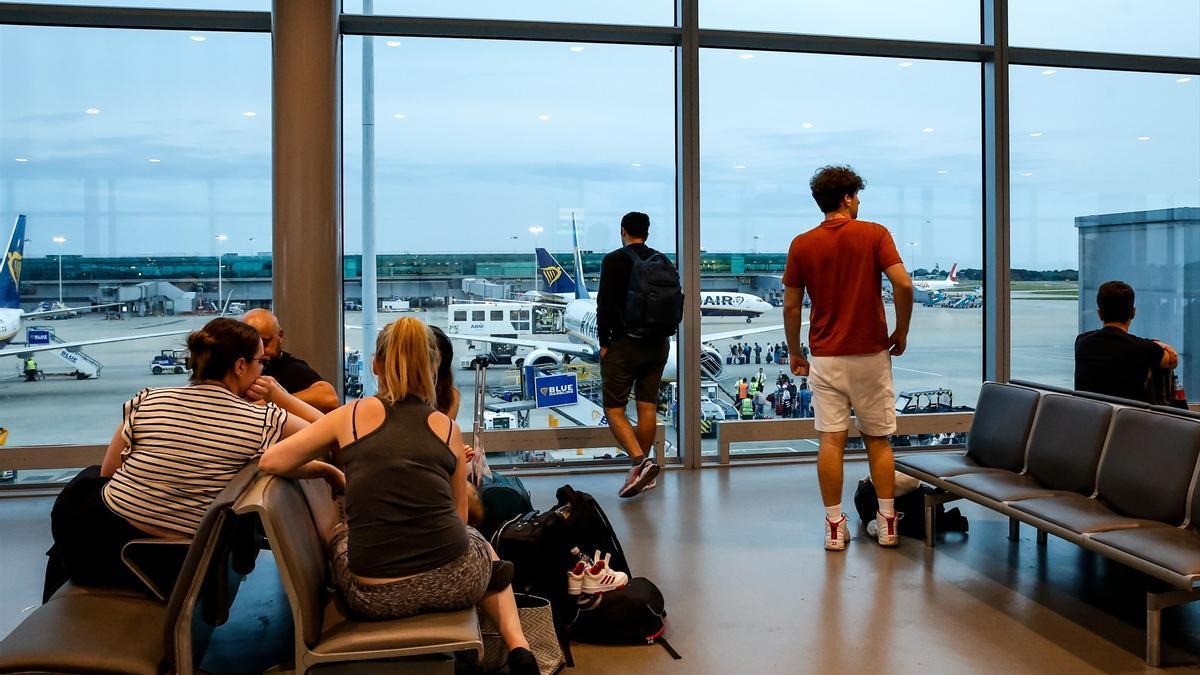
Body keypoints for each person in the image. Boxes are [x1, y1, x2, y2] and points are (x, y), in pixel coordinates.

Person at [259, 317, 539, 675]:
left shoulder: (351, 417)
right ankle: (519, 646)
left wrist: (331, 471)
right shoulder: (447, 428)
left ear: (376, 364)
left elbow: (272, 460)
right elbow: (460, 519)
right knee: (479, 543)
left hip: (374, 596)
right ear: (434, 367)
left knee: (342, 538)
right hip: (455, 584)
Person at [46, 318, 328, 598]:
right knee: (86, 491)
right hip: (167, 551)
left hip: (118, 540)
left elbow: (109, 472)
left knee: (87, 483)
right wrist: (280, 395)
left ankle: (53, 606)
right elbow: (326, 432)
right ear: (240, 366)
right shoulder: (261, 420)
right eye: (259, 362)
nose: (263, 369)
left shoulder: (149, 399)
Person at [783, 165, 913, 551]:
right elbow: (903, 283)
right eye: (856, 196)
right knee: (878, 441)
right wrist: (901, 330)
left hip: (825, 357)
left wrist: (794, 350)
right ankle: (887, 522)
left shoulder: (802, 244)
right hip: (871, 354)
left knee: (831, 442)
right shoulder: (874, 234)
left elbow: (791, 307)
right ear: (848, 198)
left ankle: (835, 526)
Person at [598, 211, 676, 499]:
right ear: (647, 232)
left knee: (614, 409)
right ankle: (642, 472)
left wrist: (604, 341)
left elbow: (604, 304)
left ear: (623, 231)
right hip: (659, 343)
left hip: (625, 343)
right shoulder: (662, 261)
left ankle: (638, 462)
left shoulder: (614, 260)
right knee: (647, 407)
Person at [1075, 280, 1179, 403]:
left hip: (1091, 416)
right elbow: (1173, 360)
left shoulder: (1082, 342)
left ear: (1100, 314)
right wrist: (1158, 344)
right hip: (1130, 418)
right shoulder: (1143, 349)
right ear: (1133, 313)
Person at [243, 308, 341, 413]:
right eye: (252, 345)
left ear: (280, 336)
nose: (260, 351)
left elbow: (329, 399)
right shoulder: (240, 366)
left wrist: (277, 400)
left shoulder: (290, 368)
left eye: (265, 343)